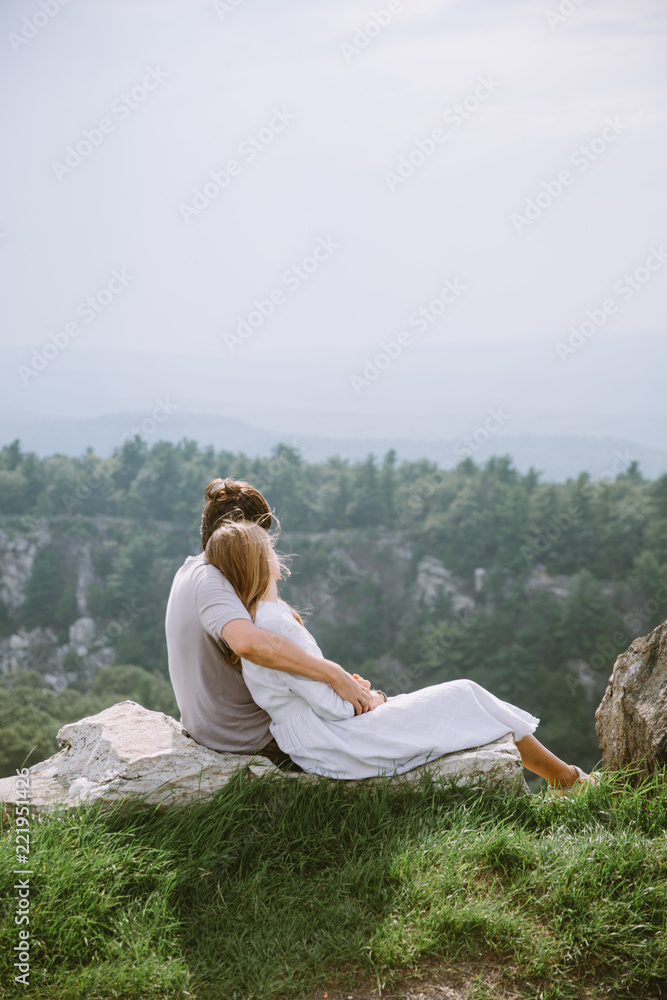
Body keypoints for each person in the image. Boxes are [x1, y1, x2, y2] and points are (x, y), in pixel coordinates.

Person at [204, 518, 598, 794]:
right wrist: (368, 699)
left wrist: (344, 685)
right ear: (262, 562)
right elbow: (334, 709)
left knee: (463, 697)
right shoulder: (276, 624)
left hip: (317, 739)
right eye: (269, 548)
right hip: (336, 743)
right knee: (462, 693)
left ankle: (564, 778)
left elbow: (309, 690)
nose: (277, 553)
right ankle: (565, 779)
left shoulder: (261, 621)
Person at [165, 478, 371, 770]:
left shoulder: (191, 570)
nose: (264, 555)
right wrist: (334, 676)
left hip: (223, 728)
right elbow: (248, 644)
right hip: (246, 737)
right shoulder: (211, 582)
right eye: (259, 542)